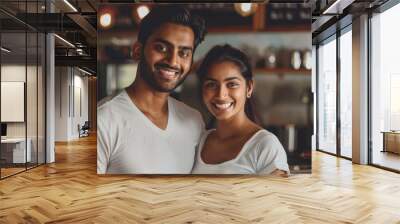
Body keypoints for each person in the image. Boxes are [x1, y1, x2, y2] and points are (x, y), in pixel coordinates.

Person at [97, 5, 207, 174]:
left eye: (184, 53)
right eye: (162, 48)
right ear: (137, 51)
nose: (173, 61)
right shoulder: (104, 119)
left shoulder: (194, 121)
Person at [191, 44, 289, 175]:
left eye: (232, 84)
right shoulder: (199, 141)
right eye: (211, 85)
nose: (221, 94)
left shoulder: (265, 145)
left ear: (249, 88)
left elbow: (276, 195)